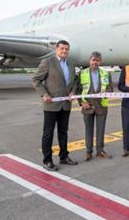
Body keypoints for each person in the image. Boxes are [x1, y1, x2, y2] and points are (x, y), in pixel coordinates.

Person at [32, 40, 78, 171]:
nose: (64, 51)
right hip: (51, 104)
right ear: (56, 49)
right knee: (48, 133)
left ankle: (64, 156)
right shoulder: (48, 62)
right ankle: (47, 160)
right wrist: (44, 94)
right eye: (62, 48)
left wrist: (73, 92)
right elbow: (36, 80)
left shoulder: (71, 63)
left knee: (63, 132)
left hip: (66, 104)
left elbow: (75, 81)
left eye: (66, 49)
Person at [77, 52, 113, 161]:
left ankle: (100, 151)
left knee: (101, 130)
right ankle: (89, 152)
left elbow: (110, 89)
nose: (95, 62)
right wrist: (81, 103)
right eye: (93, 60)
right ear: (89, 60)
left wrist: (106, 91)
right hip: (87, 106)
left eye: (97, 60)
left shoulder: (106, 73)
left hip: (101, 106)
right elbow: (77, 91)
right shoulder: (82, 73)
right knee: (88, 130)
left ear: (100, 62)